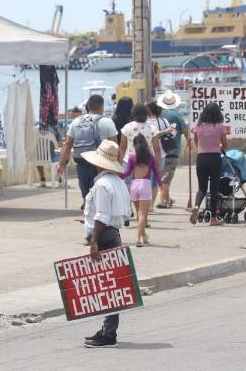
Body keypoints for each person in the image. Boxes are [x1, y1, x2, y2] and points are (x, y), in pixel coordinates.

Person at [79, 140, 130, 348]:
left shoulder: (102, 184)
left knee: (108, 286)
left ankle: (109, 334)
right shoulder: (117, 182)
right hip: (114, 233)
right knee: (111, 285)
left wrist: (94, 241)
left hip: (104, 236)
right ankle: (108, 330)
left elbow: (101, 215)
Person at [56, 95, 118, 206]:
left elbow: (67, 144)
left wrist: (61, 164)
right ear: (102, 107)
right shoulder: (107, 122)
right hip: (100, 163)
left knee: (85, 187)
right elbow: (114, 145)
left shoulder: (76, 121)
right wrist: (116, 165)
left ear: (88, 107)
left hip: (81, 160)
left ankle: (87, 201)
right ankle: (96, 208)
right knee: (99, 188)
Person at [119, 135, 161, 247]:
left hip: (134, 185)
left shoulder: (132, 157)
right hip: (145, 185)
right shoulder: (150, 157)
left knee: (139, 213)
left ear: (134, 145)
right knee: (143, 215)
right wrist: (161, 183)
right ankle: (137, 238)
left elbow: (126, 173)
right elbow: (156, 172)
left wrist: (118, 176)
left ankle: (144, 236)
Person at [190, 102, 227, 226]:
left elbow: (196, 141)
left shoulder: (198, 126)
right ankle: (213, 219)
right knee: (214, 189)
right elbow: (225, 145)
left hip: (201, 158)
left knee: (202, 188)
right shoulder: (220, 127)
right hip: (215, 158)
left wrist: (200, 148)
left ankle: (196, 206)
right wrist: (219, 146)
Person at [157, 91, 190, 209]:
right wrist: (189, 146)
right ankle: (162, 200)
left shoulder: (159, 114)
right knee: (167, 175)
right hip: (173, 150)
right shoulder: (178, 116)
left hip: (159, 149)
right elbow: (186, 133)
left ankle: (167, 199)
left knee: (164, 174)